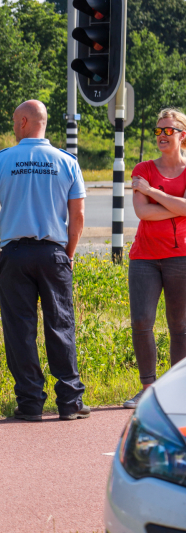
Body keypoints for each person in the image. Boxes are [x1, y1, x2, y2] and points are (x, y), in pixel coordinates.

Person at [0, 100, 90, 421]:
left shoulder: (0, 161)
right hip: (53, 254)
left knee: (20, 330)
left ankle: (30, 403)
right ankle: (70, 402)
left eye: (15, 121)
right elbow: (78, 216)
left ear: (25, 122)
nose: (14, 126)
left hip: (14, 254)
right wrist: (68, 254)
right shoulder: (67, 161)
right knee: (61, 325)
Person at [124, 108, 186, 409]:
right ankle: (148, 389)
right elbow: (142, 212)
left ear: (182, 135)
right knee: (141, 321)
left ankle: (177, 392)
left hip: (180, 256)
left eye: (168, 130)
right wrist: (177, 205)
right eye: (158, 130)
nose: (162, 135)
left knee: (180, 326)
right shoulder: (143, 168)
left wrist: (152, 193)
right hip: (144, 258)